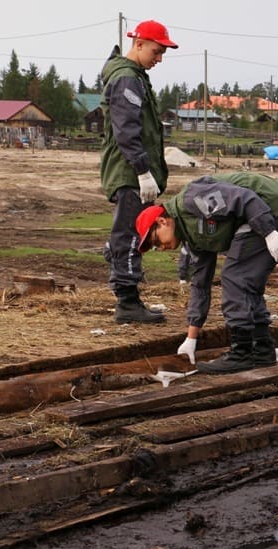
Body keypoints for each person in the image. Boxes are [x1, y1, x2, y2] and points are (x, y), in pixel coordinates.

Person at [135, 172, 278, 374]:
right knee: (247, 283)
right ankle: (262, 349)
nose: (159, 247)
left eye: (155, 241)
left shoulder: (191, 202)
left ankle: (242, 353)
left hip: (271, 207)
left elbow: (244, 199)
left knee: (235, 277)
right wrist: (191, 337)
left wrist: (267, 231)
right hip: (264, 214)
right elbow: (200, 284)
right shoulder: (193, 238)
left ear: (162, 222)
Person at [100, 19, 177, 324]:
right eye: (157, 52)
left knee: (130, 232)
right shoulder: (126, 79)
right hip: (129, 172)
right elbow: (127, 130)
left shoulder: (135, 76)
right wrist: (143, 171)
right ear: (139, 44)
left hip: (131, 170)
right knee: (129, 234)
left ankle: (129, 297)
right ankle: (127, 302)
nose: (159, 59)